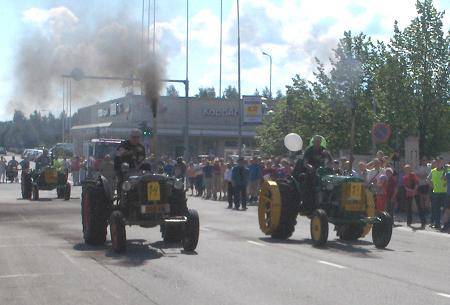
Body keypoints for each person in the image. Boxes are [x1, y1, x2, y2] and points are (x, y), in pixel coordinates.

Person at [403, 164, 426, 228]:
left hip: (416, 193)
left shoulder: (413, 175)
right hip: (409, 193)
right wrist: (411, 191)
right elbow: (405, 187)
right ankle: (409, 222)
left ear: (410, 169)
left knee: (419, 207)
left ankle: (423, 222)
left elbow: (417, 183)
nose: (407, 170)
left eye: (408, 169)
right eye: (406, 169)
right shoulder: (404, 177)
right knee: (408, 208)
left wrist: (414, 190)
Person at [427, 157, 447, 229]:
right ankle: (437, 224)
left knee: (445, 209)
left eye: (441, 162)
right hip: (436, 193)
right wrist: (432, 186)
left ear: (443, 163)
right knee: (436, 209)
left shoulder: (446, 170)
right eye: (438, 162)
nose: (439, 163)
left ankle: (445, 224)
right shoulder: (433, 171)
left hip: (445, 193)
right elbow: (428, 180)